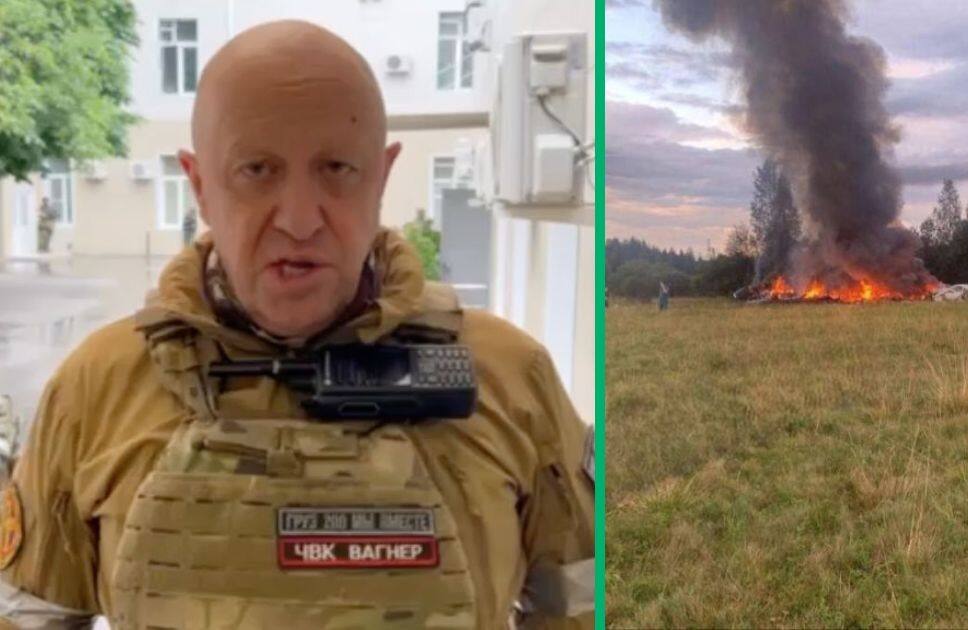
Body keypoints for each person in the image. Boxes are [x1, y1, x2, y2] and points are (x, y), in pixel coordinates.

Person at [0, 21, 593, 629]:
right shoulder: (96, 388)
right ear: (200, 185)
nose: (301, 219)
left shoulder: (510, 379)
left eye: (337, 168)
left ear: (382, 177)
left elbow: (582, 608)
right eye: (257, 169)